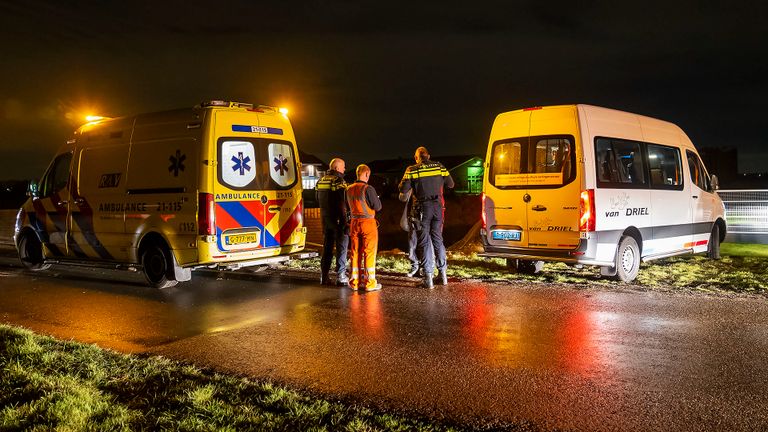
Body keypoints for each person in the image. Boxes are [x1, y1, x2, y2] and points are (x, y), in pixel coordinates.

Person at [398, 146, 454, 288]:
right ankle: (443, 275)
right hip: (438, 207)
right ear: (428, 156)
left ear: (416, 158)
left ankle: (428, 278)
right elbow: (451, 184)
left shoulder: (412, 169)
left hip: (423, 209)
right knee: (438, 240)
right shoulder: (440, 166)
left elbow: (403, 189)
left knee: (424, 241)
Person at [346, 164, 383, 291]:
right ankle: (369, 283)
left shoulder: (349, 189)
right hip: (367, 224)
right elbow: (377, 207)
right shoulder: (368, 189)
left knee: (355, 252)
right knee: (369, 252)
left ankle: (354, 282)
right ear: (366, 174)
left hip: (354, 223)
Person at [315, 158, 349, 286]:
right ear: (337, 168)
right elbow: (343, 201)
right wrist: (345, 220)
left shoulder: (320, 180)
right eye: (343, 167)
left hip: (325, 218)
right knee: (342, 246)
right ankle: (341, 275)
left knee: (327, 247)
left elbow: (317, 198)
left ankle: (324, 276)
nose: (344, 169)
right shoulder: (338, 181)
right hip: (338, 219)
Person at [398, 189, 431, 277]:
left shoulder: (426, 183)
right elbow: (402, 198)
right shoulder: (410, 183)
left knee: (426, 244)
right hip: (413, 217)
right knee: (412, 244)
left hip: (425, 218)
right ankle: (415, 266)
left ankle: (427, 269)